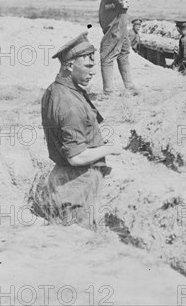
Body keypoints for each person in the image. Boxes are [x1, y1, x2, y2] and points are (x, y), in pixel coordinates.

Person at [38, 32, 123, 229]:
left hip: (62, 182)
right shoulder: (70, 104)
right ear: (69, 66)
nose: (93, 72)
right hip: (76, 188)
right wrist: (110, 149)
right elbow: (77, 157)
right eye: (88, 66)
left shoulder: (57, 90)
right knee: (81, 241)